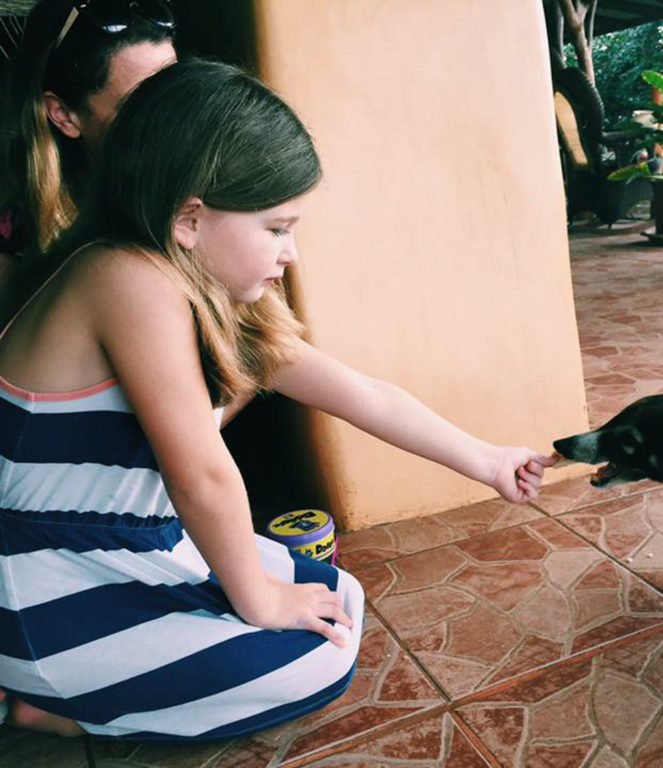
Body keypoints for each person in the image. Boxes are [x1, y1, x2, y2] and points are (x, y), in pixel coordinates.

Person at [0, 59, 556, 741]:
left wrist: (488, 459)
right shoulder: (125, 278)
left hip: (126, 546)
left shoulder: (210, 294)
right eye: (276, 227)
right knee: (308, 659)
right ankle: (53, 708)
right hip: (42, 579)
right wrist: (256, 598)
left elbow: (364, 394)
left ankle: (92, 681)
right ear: (189, 219)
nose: (290, 252)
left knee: (336, 597)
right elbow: (200, 473)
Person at [0, 0, 177, 277]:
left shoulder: (215, 186)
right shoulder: (21, 235)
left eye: (179, 92)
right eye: (142, 103)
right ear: (64, 115)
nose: (175, 118)